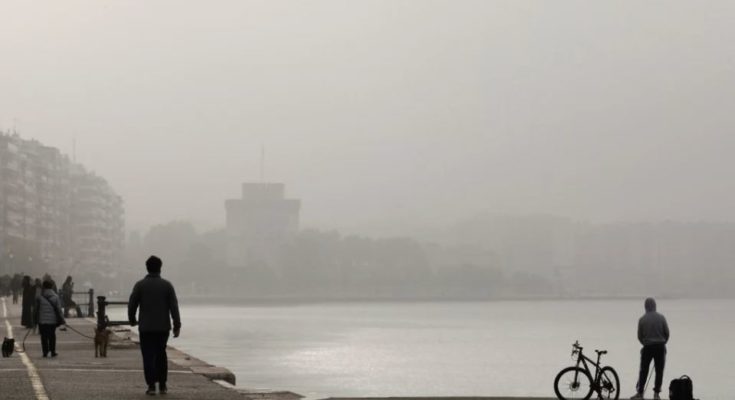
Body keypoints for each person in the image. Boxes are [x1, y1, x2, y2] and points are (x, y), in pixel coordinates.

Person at [128, 256, 181, 396]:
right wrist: (177, 325)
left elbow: (132, 304)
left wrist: (132, 319)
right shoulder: (167, 285)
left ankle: (152, 386)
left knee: (148, 356)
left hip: (146, 328)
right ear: (160, 268)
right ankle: (162, 386)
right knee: (161, 355)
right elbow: (174, 307)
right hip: (163, 328)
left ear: (147, 268)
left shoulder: (140, 285)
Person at [631, 298, 670, 400]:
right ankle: (656, 394)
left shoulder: (642, 319)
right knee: (659, 371)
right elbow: (667, 333)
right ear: (655, 306)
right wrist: (663, 342)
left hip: (647, 347)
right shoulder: (661, 318)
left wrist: (645, 343)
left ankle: (640, 393)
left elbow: (639, 336)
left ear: (645, 307)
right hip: (660, 347)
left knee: (643, 370)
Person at [35, 280, 65, 358]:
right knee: (52, 336)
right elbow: (59, 309)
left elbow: (36, 309)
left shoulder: (40, 297)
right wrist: (62, 319)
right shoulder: (55, 297)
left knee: (43, 336)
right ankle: (53, 351)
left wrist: (35, 319)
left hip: (42, 320)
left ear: (44, 287)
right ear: (51, 287)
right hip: (52, 321)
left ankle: (45, 352)